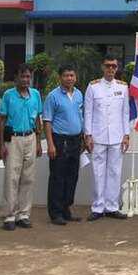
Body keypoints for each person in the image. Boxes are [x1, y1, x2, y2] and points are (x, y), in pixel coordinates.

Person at [83, 55, 130, 220]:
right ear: (102, 67)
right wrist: (88, 134)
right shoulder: (93, 87)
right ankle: (97, 207)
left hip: (117, 136)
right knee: (98, 172)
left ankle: (112, 206)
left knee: (115, 172)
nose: (111, 69)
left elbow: (125, 113)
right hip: (98, 136)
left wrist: (126, 135)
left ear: (117, 68)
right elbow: (88, 112)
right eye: (108, 65)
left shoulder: (123, 87)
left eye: (114, 66)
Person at [0, 63, 43, 231]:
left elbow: (37, 119)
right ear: (16, 78)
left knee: (28, 178)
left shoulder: (35, 94)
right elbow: (1, 120)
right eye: (22, 76)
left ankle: (23, 214)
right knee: (12, 177)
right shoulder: (9, 95)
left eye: (28, 76)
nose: (25, 80)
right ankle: (9, 215)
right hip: (13, 139)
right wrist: (1, 144)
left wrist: (38, 142)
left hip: (30, 137)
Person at [43, 65, 84, 225]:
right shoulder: (53, 96)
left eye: (72, 75)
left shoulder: (79, 94)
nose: (69, 78)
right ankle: (56, 213)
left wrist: (83, 138)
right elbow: (47, 121)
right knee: (58, 177)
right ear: (60, 77)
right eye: (66, 75)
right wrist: (50, 144)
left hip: (75, 140)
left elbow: (81, 117)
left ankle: (66, 209)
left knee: (72, 176)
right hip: (59, 140)